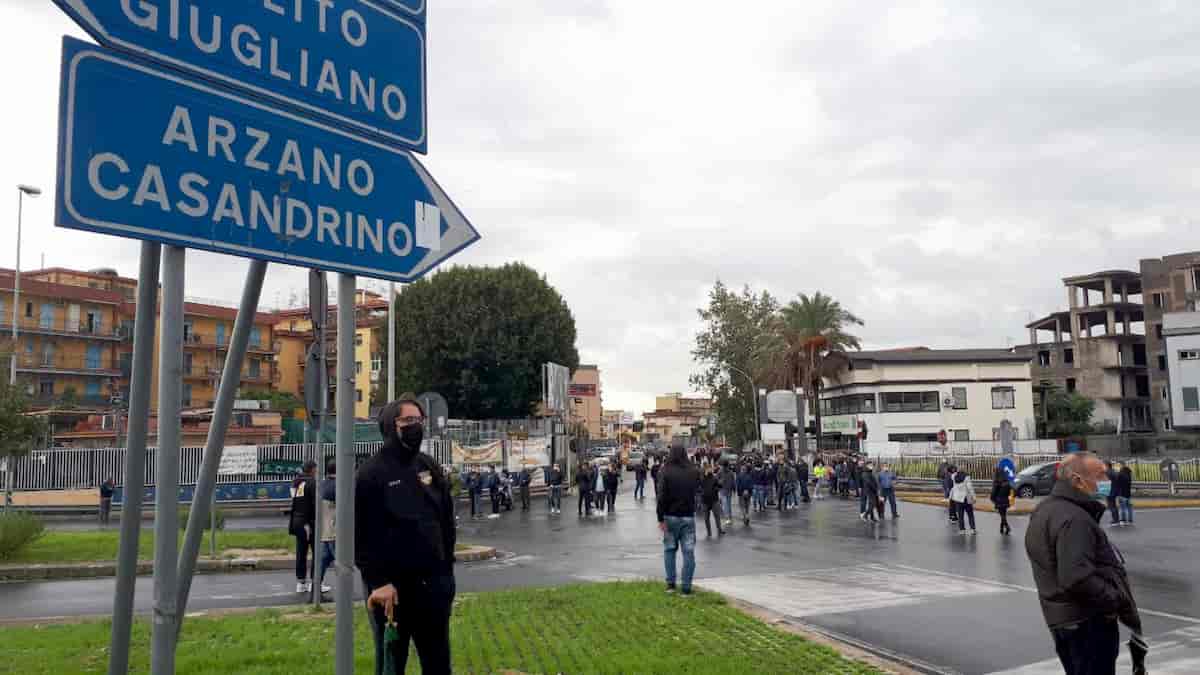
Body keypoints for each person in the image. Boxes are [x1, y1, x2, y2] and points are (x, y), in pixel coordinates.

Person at [357, 397, 457, 675]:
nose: (416, 426)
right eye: (408, 421)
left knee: (438, 665)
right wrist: (378, 582)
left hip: (434, 589)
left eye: (419, 420)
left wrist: (447, 573)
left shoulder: (428, 466)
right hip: (392, 595)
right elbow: (360, 534)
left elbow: (446, 521)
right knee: (391, 666)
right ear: (391, 426)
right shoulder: (371, 474)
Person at [1025, 452, 1142, 675]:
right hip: (1087, 622)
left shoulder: (1047, 509)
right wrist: (1113, 598)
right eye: (1100, 476)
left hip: (1065, 620)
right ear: (1078, 481)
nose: (1106, 482)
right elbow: (1076, 576)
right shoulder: (1074, 518)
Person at [657, 445, 701, 594]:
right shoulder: (693, 471)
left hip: (670, 517)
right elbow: (697, 491)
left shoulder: (665, 471)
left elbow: (661, 496)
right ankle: (686, 588)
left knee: (669, 550)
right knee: (688, 552)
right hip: (688, 516)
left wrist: (660, 518)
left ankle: (670, 584)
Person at [289, 461, 317, 593]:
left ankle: (301, 582)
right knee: (317, 553)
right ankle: (315, 581)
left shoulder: (296, 482)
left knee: (301, 552)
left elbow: (294, 500)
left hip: (298, 521)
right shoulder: (312, 483)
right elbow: (314, 504)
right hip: (309, 522)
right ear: (312, 470)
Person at [317, 460, 336, 594]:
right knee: (342, 561)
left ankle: (317, 582)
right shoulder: (337, 486)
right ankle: (344, 587)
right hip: (335, 529)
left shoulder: (323, 484)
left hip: (325, 529)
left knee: (325, 558)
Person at [699, 465, 724, 537]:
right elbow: (698, 487)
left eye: (710, 469)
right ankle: (709, 532)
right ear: (705, 470)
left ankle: (719, 529)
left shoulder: (714, 478)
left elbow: (720, 486)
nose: (709, 471)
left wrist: (717, 487)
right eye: (708, 469)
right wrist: (701, 492)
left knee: (717, 516)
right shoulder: (702, 479)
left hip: (714, 500)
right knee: (706, 518)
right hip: (705, 500)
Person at [950, 469, 977, 535]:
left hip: (957, 499)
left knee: (960, 515)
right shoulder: (967, 478)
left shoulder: (954, 477)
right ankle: (972, 529)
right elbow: (970, 488)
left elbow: (953, 475)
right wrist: (974, 497)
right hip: (966, 498)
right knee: (970, 514)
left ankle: (962, 530)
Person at [990, 466, 1013, 536]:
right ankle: (1001, 528)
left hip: (998, 500)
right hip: (1005, 500)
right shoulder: (1007, 482)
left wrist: (992, 499)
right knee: (1003, 514)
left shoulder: (996, 482)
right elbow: (1009, 492)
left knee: (1002, 515)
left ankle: (1007, 526)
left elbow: (993, 492)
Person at [718, 462, 735, 527]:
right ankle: (728, 517)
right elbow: (717, 480)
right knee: (726, 504)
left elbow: (733, 481)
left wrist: (734, 489)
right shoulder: (729, 472)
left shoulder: (728, 473)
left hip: (726, 490)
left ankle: (728, 517)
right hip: (724, 490)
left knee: (727, 504)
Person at [1104, 461, 1120, 527]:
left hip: (1109, 491)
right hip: (1114, 491)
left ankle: (1115, 520)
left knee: (1111, 506)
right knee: (1113, 505)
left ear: (1107, 465)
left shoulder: (1107, 472)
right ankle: (1116, 519)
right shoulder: (1114, 471)